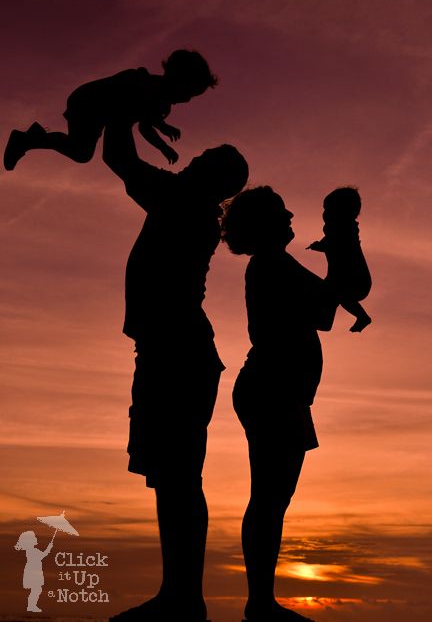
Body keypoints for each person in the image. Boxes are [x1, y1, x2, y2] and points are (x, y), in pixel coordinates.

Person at [103, 119, 248, 622]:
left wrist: (118, 107)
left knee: (179, 476)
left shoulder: (182, 200)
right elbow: (122, 164)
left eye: (203, 160)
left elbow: (119, 161)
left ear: (212, 178)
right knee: (175, 476)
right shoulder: (189, 204)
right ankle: (179, 596)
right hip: (174, 349)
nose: (191, 161)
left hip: (176, 352)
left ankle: (182, 599)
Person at [222, 186, 350, 622]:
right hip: (272, 389)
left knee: (272, 498)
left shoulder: (276, 264)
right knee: (269, 499)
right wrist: (339, 249)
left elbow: (327, 309)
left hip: (278, 390)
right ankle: (260, 604)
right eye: (281, 211)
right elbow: (326, 312)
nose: (291, 213)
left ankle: (261, 601)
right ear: (263, 224)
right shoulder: (272, 265)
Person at [4, 49, 218, 171]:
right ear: (176, 79)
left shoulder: (163, 105)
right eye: (188, 91)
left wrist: (162, 146)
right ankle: (27, 139)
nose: (187, 99)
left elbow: (144, 127)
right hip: (88, 101)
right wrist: (162, 126)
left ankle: (33, 137)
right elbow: (140, 109)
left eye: (192, 96)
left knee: (81, 152)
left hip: (100, 112)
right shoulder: (147, 84)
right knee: (81, 152)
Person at [307, 186, 372, 332]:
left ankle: (362, 316)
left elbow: (338, 244)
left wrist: (321, 246)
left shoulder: (346, 229)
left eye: (328, 210)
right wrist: (320, 245)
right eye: (324, 209)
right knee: (326, 297)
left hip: (354, 278)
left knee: (340, 296)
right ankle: (322, 320)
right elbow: (330, 242)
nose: (325, 214)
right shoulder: (336, 229)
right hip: (338, 277)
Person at [14, 531, 53, 612]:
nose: (35, 539)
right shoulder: (32, 550)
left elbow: (41, 556)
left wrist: (48, 548)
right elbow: (42, 556)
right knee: (37, 589)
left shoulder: (31, 550)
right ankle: (31, 606)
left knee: (36, 589)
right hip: (33, 572)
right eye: (34, 538)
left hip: (33, 571)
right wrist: (49, 548)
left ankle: (31, 605)